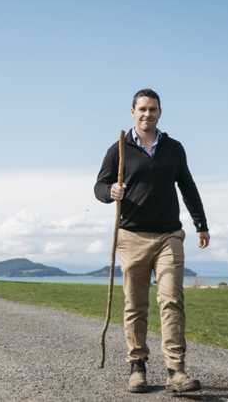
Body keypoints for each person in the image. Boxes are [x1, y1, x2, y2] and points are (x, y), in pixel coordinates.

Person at [94, 89, 210, 394]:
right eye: (142, 109)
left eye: (153, 109)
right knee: (136, 305)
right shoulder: (119, 148)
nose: (148, 114)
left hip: (169, 235)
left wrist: (201, 224)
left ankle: (176, 371)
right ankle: (137, 367)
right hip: (131, 236)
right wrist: (110, 192)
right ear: (132, 112)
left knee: (171, 300)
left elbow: (188, 186)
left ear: (160, 112)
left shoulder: (174, 148)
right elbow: (100, 185)